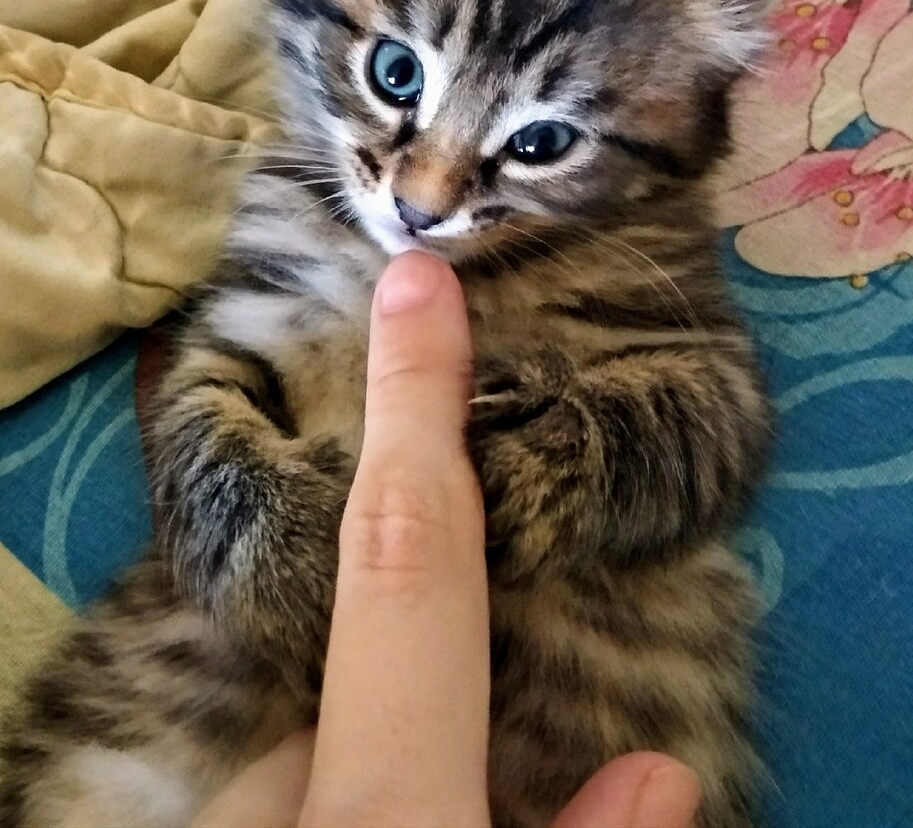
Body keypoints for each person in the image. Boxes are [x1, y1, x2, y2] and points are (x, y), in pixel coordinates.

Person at [192, 251, 702, 828]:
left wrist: (575, 449)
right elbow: (204, 397)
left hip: (569, 720)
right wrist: (247, 511)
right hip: (211, 707)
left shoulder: (647, 246)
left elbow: (709, 405)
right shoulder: (287, 216)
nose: (422, 209)